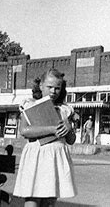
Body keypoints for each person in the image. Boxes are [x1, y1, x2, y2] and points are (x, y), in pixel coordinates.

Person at [13, 69, 77, 207]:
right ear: (41, 86)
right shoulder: (30, 105)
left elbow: (71, 140)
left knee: (50, 200)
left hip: (56, 156)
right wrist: (52, 129)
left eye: (57, 88)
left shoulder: (64, 110)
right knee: (33, 198)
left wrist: (69, 129)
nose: (53, 91)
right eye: (50, 87)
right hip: (37, 155)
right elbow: (24, 131)